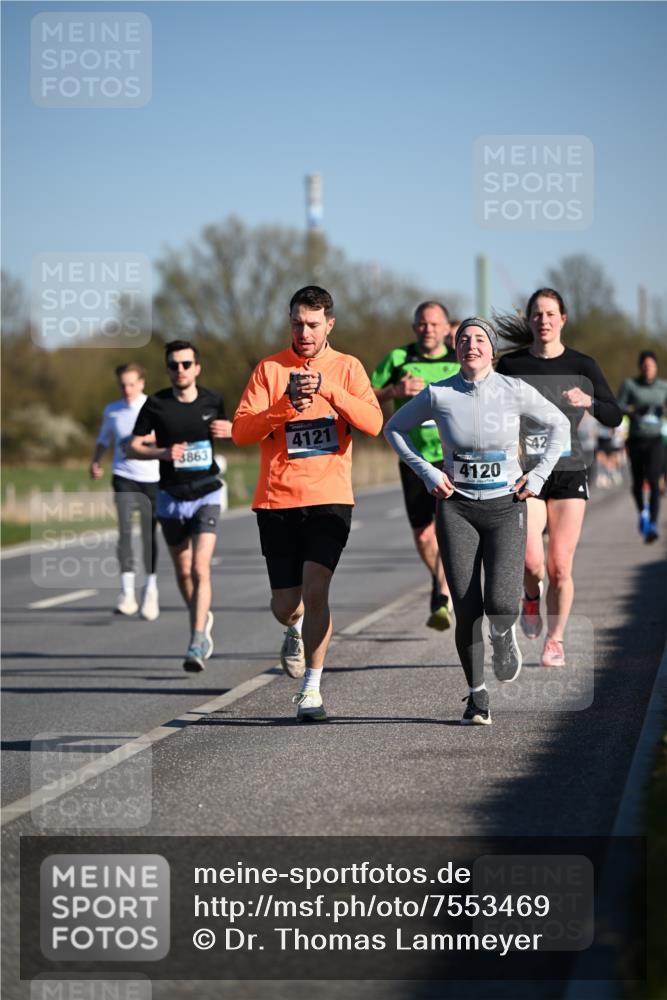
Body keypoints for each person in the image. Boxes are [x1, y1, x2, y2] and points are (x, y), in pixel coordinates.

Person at [384, 318, 569, 725]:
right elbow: (393, 429)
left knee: (502, 603)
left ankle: (503, 638)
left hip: (506, 506)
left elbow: (560, 424)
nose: (471, 345)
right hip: (457, 508)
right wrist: (427, 472)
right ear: (456, 349)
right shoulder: (440, 393)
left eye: (480, 339)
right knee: (467, 607)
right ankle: (476, 695)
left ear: (492, 350)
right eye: (464, 339)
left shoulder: (513, 389)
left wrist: (536, 476)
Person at [232, 285, 383, 722]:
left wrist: (329, 391)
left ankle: (311, 689)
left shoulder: (348, 367)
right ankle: (294, 631)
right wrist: (283, 407)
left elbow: (373, 423)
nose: (304, 332)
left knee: (317, 589)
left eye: (313, 324)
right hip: (277, 501)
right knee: (286, 606)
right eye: (297, 323)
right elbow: (242, 432)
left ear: (329, 324)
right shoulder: (269, 369)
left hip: (330, 499)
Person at [495, 289, 622, 667]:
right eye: (537, 314)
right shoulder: (512, 365)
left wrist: (590, 403)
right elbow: (484, 399)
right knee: (532, 562)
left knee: (560, 567)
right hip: (527, 473)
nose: (544, 320)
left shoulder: (583, 365)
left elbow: (615, 414)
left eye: (551, 314)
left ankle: (556, 640)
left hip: (568, 473)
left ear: (562, 319)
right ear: (530, 320)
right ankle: (530, 597)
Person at [128, 341, 232, 671]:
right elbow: (131, 447)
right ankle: (202, 618)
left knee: (201, 568)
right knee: (184, 572)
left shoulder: (213, 400)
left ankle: (197, 640)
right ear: (167, 369)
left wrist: (231, 430)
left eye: (186, 364)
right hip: (170, 498)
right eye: (174, 365)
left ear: (197, 367)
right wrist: (161, 453)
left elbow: (241, 431)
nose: (180, 370)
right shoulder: (155, 405)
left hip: (207, 493)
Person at [371, 302, 459, 630]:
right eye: (422, 324)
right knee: (424, 536)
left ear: (446, 327)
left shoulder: (458, 359)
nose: (428, 329)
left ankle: (442, 593)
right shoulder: (398, 359)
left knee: (449, 530)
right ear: (414, 327)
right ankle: (443, 579)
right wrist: (395, 390)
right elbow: (363, 395)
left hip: (452, 457)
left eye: (435, 324)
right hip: (412, 458)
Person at [90, 363, 160, 619]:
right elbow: (103, 440)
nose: (126, 389)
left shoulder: (154, 406)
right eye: (122, 384)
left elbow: (168, 435)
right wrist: (96, 461)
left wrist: (148, 441)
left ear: (141, 383)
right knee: (125, 532)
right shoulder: (112, 411)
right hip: (124, 476)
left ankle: (150, 590)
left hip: (151, 478)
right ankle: (127, 592)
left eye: (131, 384)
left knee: (148, 535)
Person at [617, 350, 667, 542]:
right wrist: (634, 409)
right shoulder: (630, 385)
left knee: (654, 481)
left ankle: (652, 524)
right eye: (645, 366)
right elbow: (618, 406)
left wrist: (662, 409)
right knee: (638, 483)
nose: (648, 369)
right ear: (640, 367)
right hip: (636, 439)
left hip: (655, 439)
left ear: (656, 367)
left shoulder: (663, 387)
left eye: (651, 366)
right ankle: (643, 513)